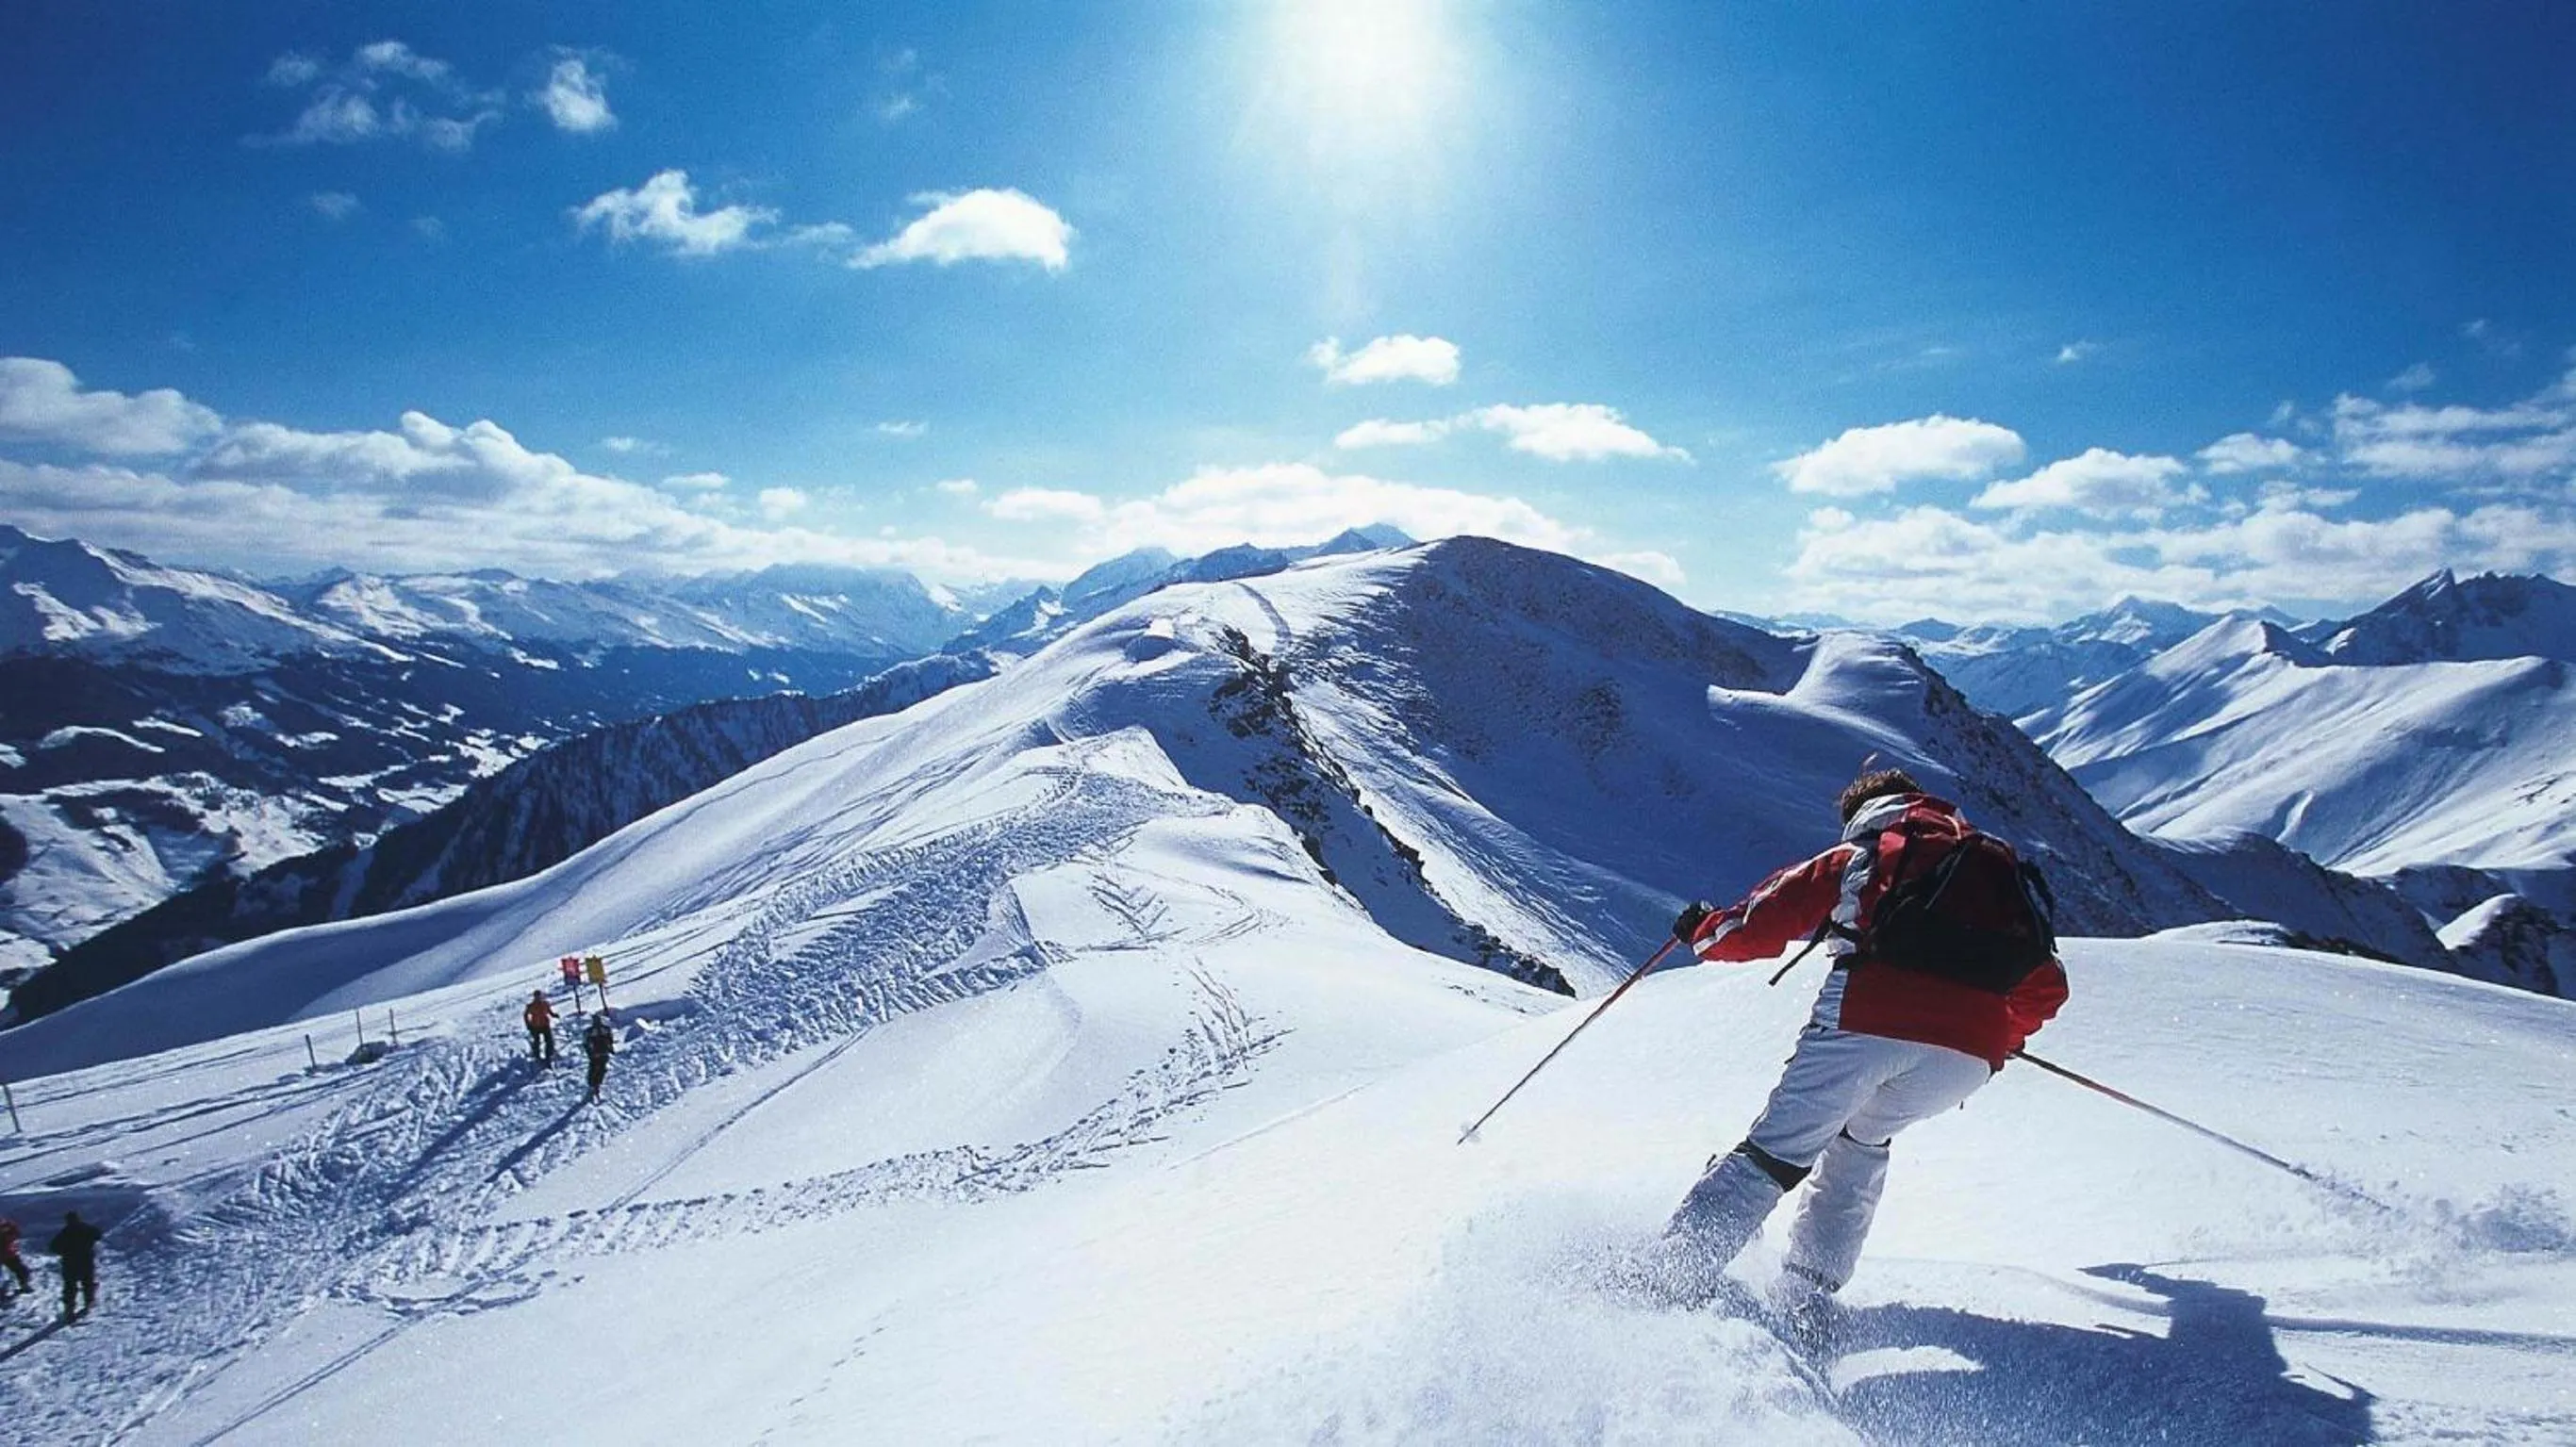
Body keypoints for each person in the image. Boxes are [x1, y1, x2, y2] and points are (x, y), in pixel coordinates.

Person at [1660, 767, 2068, 1317]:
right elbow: (2048, 987)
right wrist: (1995, 1036)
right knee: (1861, 1139)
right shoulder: (1994, 871)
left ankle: (1669, 1278)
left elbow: (1759, 926)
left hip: (1866, 1015)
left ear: (1862, 813)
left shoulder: (1868, 852)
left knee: (1779, 1150)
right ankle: (1808, 1298)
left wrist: (1702, 933)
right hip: (1970, 1056)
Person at [48, 1210, 101, 1322]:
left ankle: (69, 1309)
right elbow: (98, 1234)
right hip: (86, 1260)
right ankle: (89, 1301)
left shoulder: (65, 1232)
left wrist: (64, 1251)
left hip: (69, 1263)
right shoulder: (87, 1228)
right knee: (87, 1282)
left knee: (70, 1286)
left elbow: (53, 1247)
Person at [582, 1010, 616, 1103]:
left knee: (602, 1068)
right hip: (595, 1053)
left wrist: (610, 1048)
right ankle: (592, 1084)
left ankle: (597, 1084)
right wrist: (589, 1052)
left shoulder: (605, 1029)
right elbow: (586, 1043)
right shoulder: (590, 1031)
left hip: (603, 1051)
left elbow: (610, 1039)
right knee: (594, 1068)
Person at [523, 989, 557, 1065]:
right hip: (535, 1026)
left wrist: (554, 1015)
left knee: (549, 1041)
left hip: (545, 1024)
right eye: (537, 997)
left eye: (539, 996)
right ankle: (537, 1056)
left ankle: (549, 1055)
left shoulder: (545, 1004)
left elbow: (549, 1011)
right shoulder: (531, 1006)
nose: (538, 998)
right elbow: (526, 1015)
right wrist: (528, 1024)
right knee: (536, 1041)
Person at [0, 1216, 29, 1298]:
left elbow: (16, 1234)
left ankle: (24, 1285)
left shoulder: (7, 1225)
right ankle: (24, 1286)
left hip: (8, 1253)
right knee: (22, 1270)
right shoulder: (7, 1225)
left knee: (22, 1270)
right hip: (8, 1253)